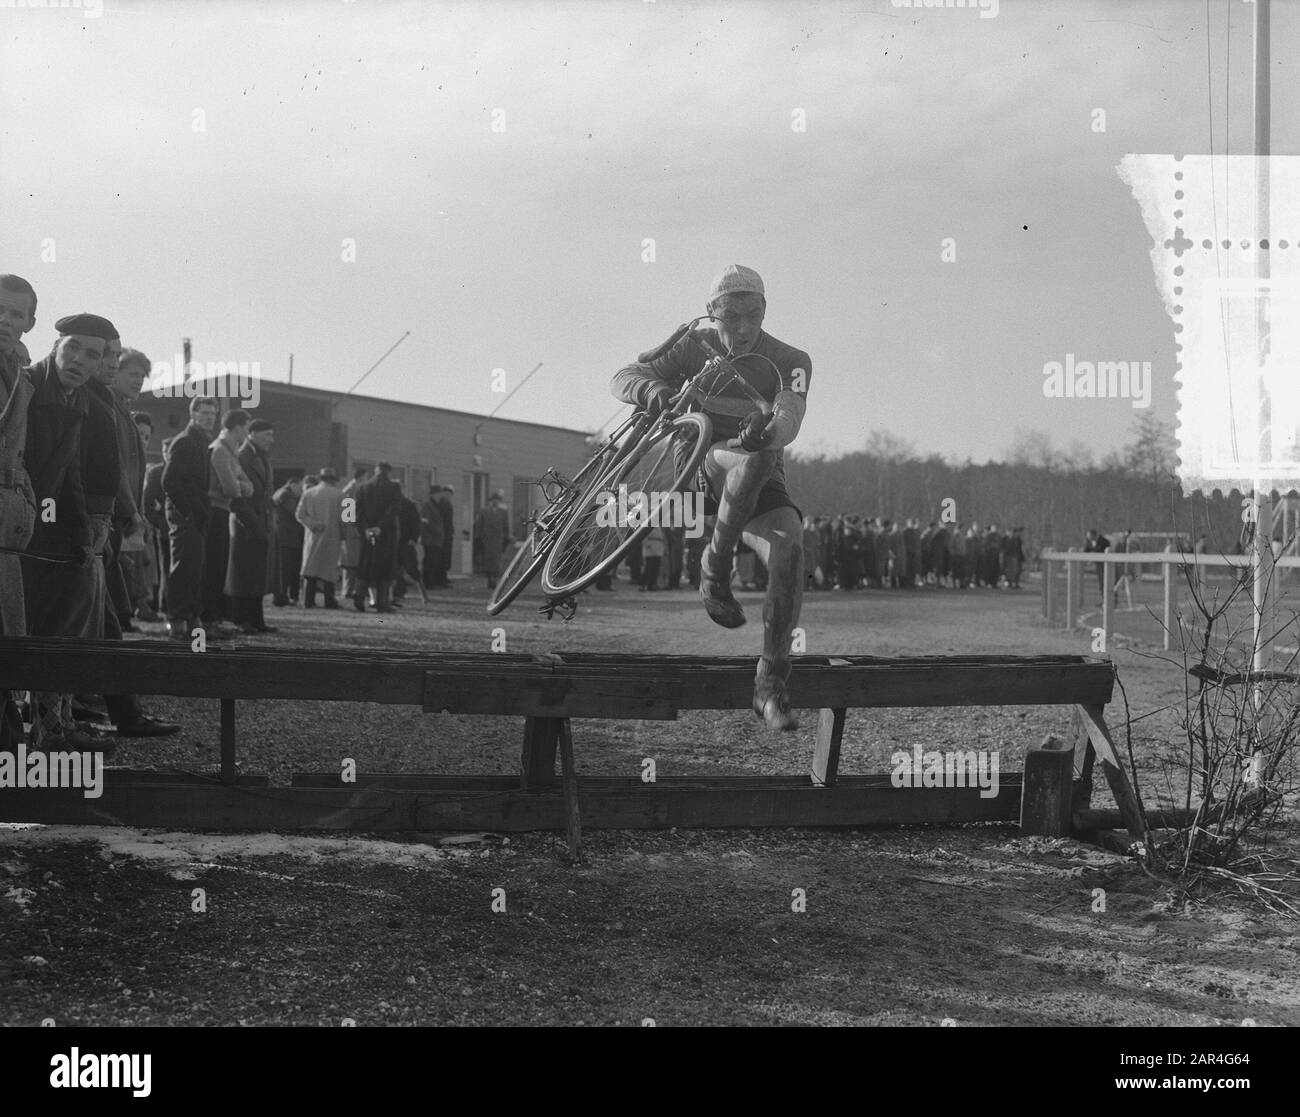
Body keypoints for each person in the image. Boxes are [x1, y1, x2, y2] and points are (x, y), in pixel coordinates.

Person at [610, 265, 810, 729]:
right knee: (750, 459)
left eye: (753, 316)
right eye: (731, 316)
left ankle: (771, 684)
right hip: (700, 467)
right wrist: (652, 388)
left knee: (790, 546)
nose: (742, 328)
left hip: (760, 474)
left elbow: (791, 415)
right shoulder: (690, 347)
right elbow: (622, 376)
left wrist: (770, 430)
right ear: (710, 313)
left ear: (765, 312)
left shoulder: (790, 359)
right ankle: (715, 564)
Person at [21, 314, 116, 750]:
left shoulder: (82, 402)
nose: (79, 359)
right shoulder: (21, 387)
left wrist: (85, 532)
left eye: (91, 354)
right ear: (56, 344)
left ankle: (51, 731)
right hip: (17, 528)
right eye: (72, 347)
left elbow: (76, 474)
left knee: (59, 633)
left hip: (50, 528)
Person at [0, 273, 37, 755]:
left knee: (9, 645)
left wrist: (25, 502)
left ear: (30, 323)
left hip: (7, 528)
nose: (3, 321)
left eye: (14, 314)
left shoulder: (18, 375)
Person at [162, 396, 218, 640]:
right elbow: (169, 481)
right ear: (193, 414)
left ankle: (193, 617)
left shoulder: (201, 442)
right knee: (183, 567)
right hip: (184, 512)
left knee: (196, 568)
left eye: (212, 413)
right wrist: (187, 511)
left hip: (196, 512)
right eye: (204, 412)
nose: (209, 417)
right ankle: (177, 620)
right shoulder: (184, 442)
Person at [227, 418, 277, 634]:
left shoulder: (261, 456)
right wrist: (254, 523)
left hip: (259, 520)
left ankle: (256, 619)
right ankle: (242, 619)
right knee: (244, 572)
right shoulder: (243, 456)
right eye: (267, 435)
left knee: (257, 572)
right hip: (246, 521)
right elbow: (239, 495)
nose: (271, 440)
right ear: (252, 434)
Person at [205, 409, 252, 630]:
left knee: (220, 567)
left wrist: (238, 484)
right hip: (215, 512)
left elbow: (245, 486)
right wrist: (239, 484)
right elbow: (233, 487)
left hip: (222, 511)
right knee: (214, 567)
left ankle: (215, 617)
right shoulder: (220, 451)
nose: (247, 434)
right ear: (237, 427)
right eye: (246, 428)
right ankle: (210, 617)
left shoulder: (230, 452)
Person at [355, 461, 401, 612]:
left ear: (375, 471)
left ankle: (359, 596)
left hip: (367, 534)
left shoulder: (362, 487)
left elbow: (357, 513)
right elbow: (393, 510)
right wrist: (380, 527)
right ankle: (382, 603)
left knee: (365, 565)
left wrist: (365, 529)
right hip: (386, 533)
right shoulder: (394, 487)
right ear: (389, 472)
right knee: (385, 568)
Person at [297, 468, 344, 608]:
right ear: (333, 481)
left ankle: (308, 599)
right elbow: (349, 519)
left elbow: (299, 514)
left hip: (313, 535)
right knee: (329, 570)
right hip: (333, 536)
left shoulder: (308, 493)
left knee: (310, 568)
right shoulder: (342, 495)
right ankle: (330, 600)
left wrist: (313, 524)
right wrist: (346, 536)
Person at [271, 475, 304, 607]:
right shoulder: (286, 494)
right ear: (293, 484)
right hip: (288, 536)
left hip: (286, 535)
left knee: (287, 568)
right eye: (300, 487)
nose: (301, 491)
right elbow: (296, 512)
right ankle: (281, 596)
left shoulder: (281, 493)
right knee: (287, 568)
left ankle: (284, 595)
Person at [474, 489, 511, 591]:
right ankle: (489, 579)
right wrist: (478, 538)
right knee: (488, 560)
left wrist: (506, 538)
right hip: (487, 540)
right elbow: (479, 526)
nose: (495, 502)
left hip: (498, 540)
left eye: (497, 500)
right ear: (490, 501)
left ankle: (494, 579)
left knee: (497, 561)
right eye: (493, 500)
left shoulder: (503, 512)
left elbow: (506, 526)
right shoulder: (484, 511)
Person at [339, 466, 367, 599]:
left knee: (352, 563)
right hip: (352, 532)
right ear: (361, 477)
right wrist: (354, 529)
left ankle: (351, 589)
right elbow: (347, 515)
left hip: (353, 531)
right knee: (350, 564)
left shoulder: (352, 489)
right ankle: (348, 590)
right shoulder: (351, 491)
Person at [419, 483, 445, 589]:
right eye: (438, 494)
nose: (440, 496)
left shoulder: (437, 505)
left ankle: (433, 581)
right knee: (429, 560)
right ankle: (428, 582)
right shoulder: (427, 505)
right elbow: (425, 520)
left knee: (434, 560)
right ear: (434, 494)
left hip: (436, 539)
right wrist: (436, 529)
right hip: (430, 538)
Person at [1083, 528, 1111, 603]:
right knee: (1101, 583)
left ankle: (1111, 601)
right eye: (1088, 537)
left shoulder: (1104, 541)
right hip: (1099, 566)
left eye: (1090, 536)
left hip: (1107, 566)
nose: (1088, 538)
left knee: (1108, 583)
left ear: (1094, 535)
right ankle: (1104, 601)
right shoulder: (1089, 542)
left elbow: (1101, 551)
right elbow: (1086, 552)